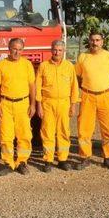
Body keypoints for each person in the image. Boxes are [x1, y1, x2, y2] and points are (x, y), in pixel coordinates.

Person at [74, 31, 109, 170]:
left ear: (102, 42)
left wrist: (104, 88)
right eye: (93, 40)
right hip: (88, 96)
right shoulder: (83, 57)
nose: (95, 43)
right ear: (89, 41)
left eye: (98, 40)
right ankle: (85, 157)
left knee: (108, 128)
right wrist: (89, 88)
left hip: (105, 95)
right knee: (84, 129)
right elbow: (79, 77)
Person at [0, 38, 36, 176]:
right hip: (5, 104)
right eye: (14, 49)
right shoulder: (2, 65)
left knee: (24, 135)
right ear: (9, 49)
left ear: (22, 50)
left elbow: (32, 86)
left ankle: (22, 162)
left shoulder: (27, 65)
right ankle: (8, 163)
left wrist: (33, 104)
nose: (16, 52)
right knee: (6, 135)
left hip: (23, 104)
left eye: (19, 49)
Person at [35, 40, 79, 172]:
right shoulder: (43, 66)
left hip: (64, 103)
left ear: (63, 51)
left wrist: (73, 104)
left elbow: (74, 87)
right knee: (47, 132)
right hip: (48, 103)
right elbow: (37, 87)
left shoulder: (69, 66)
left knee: (64, 132)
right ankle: (48, 160)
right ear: (51, 50)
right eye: (55, 49)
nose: (57, 52)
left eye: (60, 50)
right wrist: (39, 105)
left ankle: (62, 159)